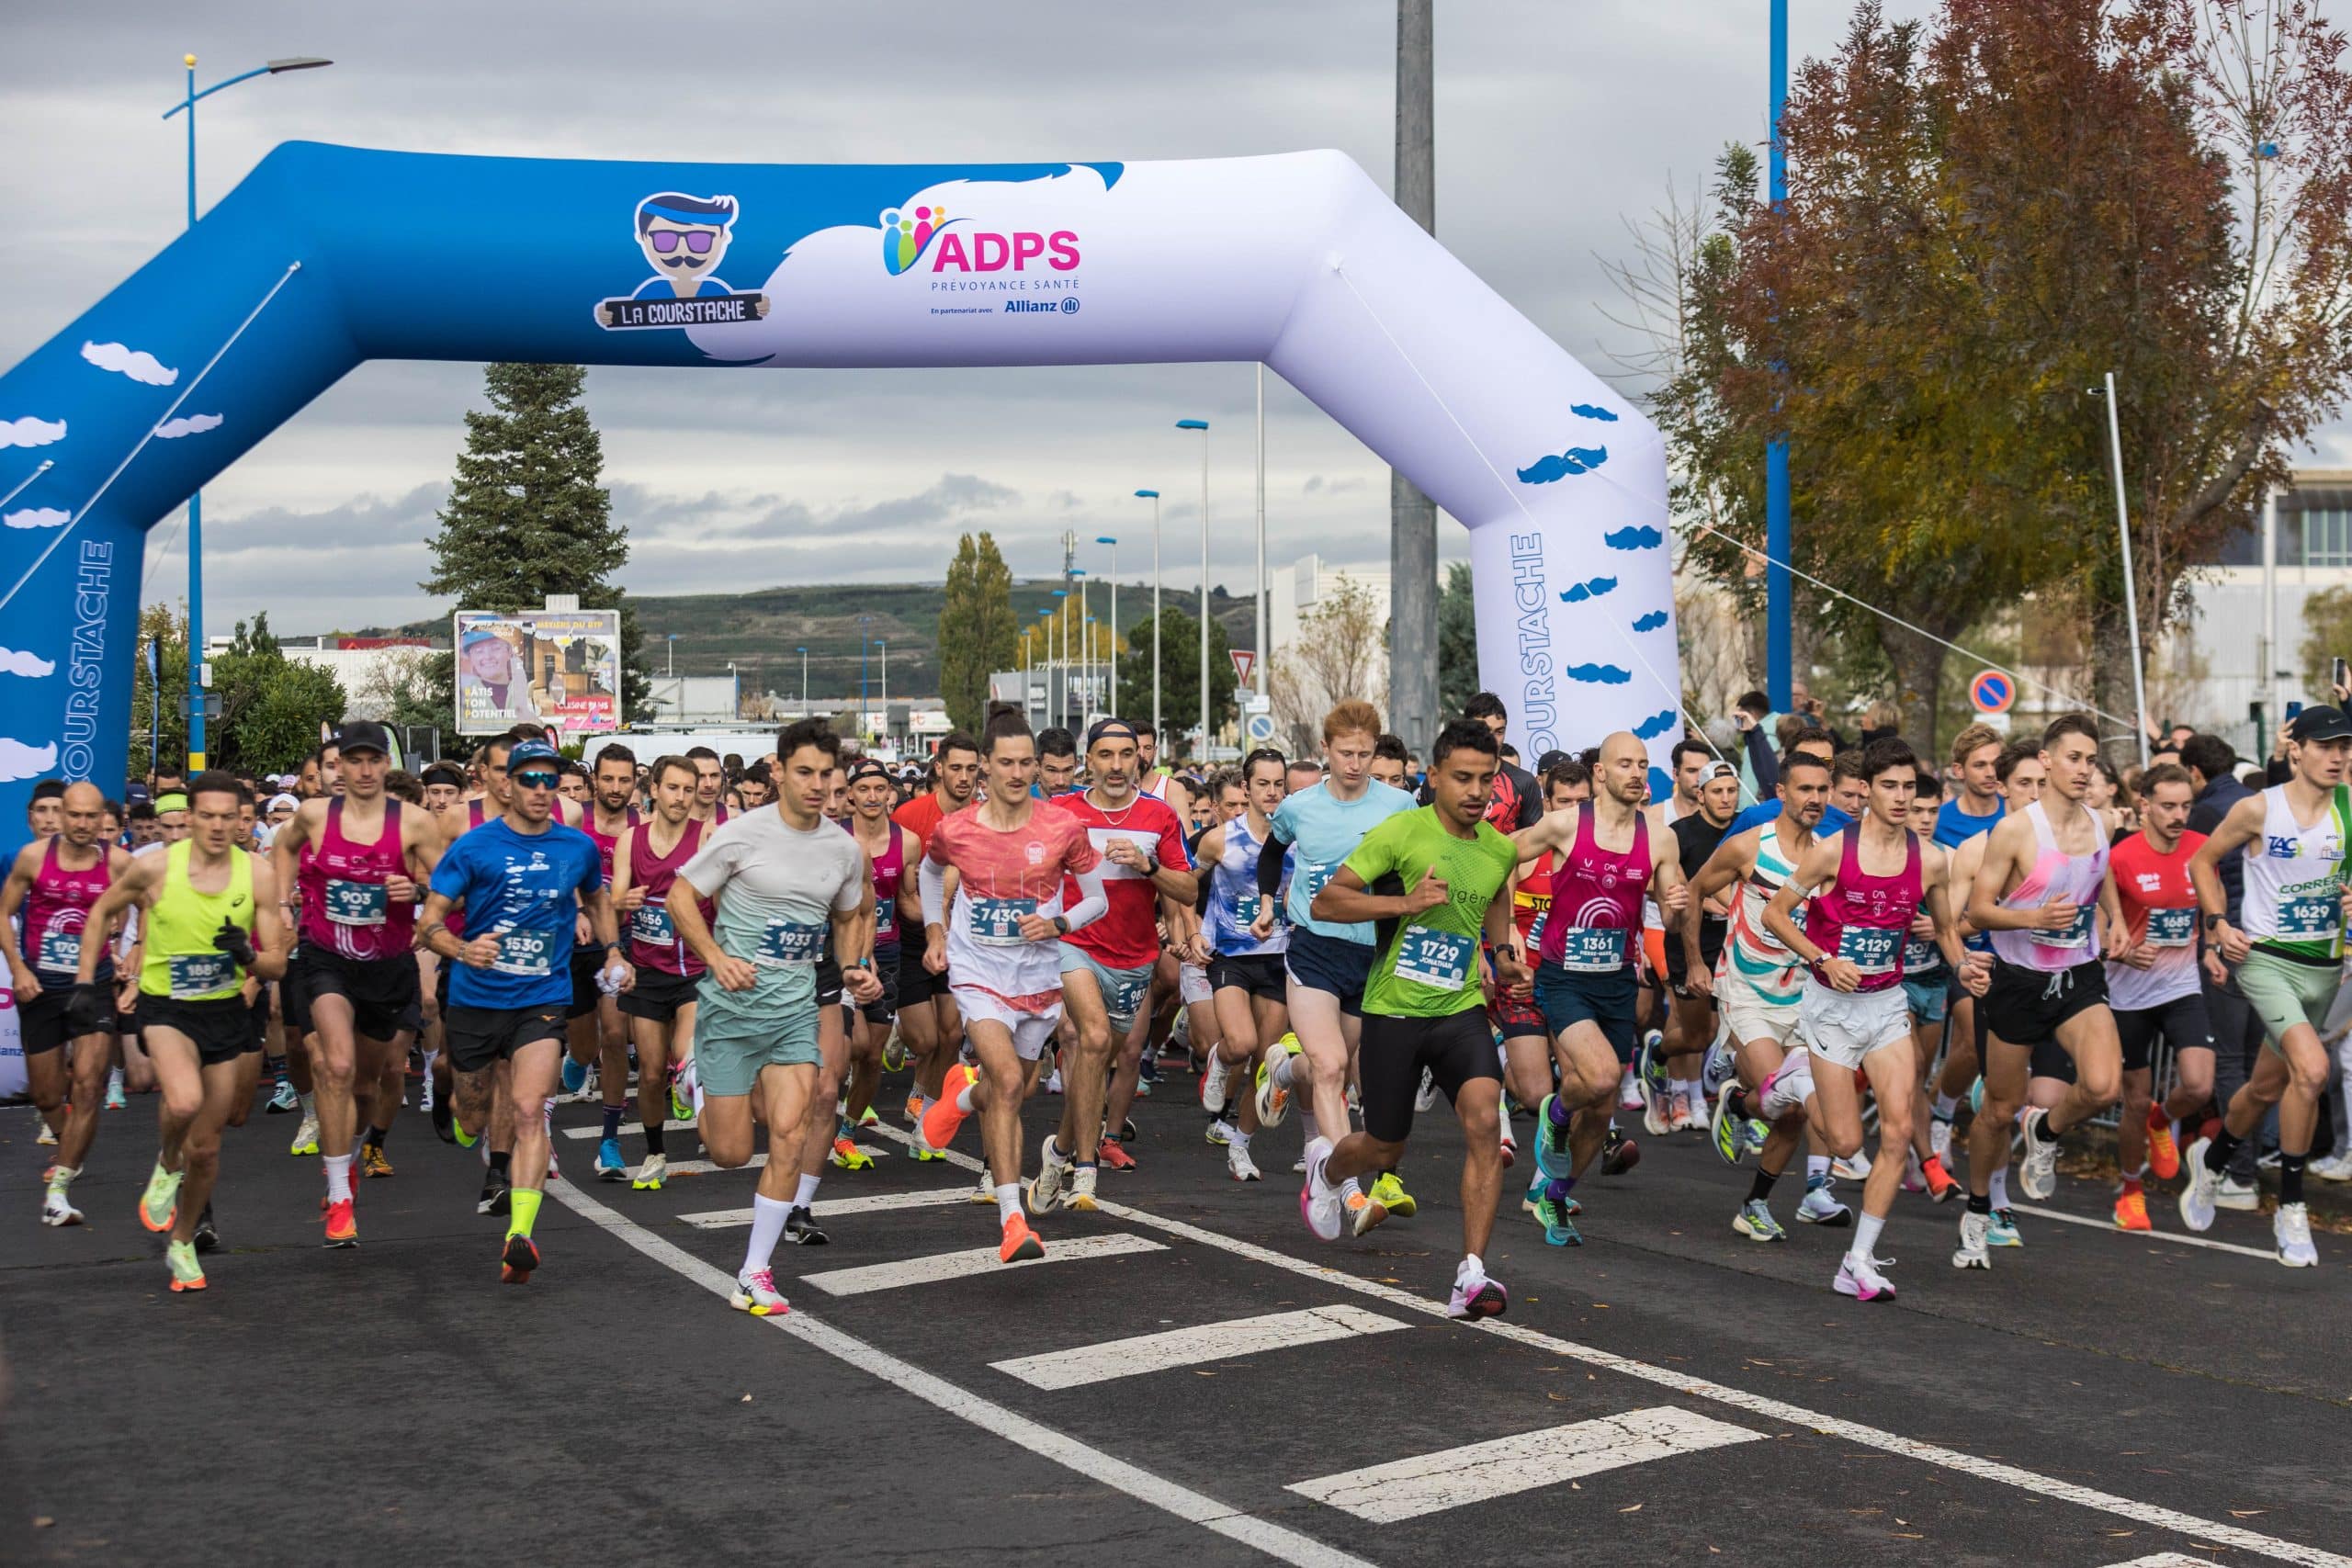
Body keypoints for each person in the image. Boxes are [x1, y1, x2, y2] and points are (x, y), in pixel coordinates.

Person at [1305, 717, 1524, 1318]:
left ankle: (1471, 1275)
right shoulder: (1402, 831)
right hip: (1394, 1010)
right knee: (1382, 1146)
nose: (1476, 791)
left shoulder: (1499, 847)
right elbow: (1329, 899)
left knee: (1484, 1121)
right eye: (1462, 778)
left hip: (1459, 1008)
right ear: (1434, 777)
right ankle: (1327, 1168)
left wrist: (1503, 953)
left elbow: (1497, 892)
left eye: (1486, 779)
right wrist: (1405, 902)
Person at [664, 721, 878, 1313]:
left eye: (825, 774)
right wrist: (714, 956)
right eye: (803, 772)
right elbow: (681, 897)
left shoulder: (842, 849)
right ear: (779, 772)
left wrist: (855, 966)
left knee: (793, 1128)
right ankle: (698, 1082)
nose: (816, 785)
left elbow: (847, 915)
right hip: (732, 1011)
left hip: (794, 1008)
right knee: (730, 1152)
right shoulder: (742, 834)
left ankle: (754, 1271)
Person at [1765, 739, 1979, 1300]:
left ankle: (1856, 1260)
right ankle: (1791, 1080)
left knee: (1900, 1130)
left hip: (1886, 1006)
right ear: (1866, 791)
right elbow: (1775, 914)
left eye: (1910, 786)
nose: (1902, 797)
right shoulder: (1832, 852)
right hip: (1831, 1007)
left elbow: (1947, 932)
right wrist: (1823, 959)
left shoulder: (1933, 861)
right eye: (1891, 786)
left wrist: (1965, 968)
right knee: (1842, 1142)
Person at [418, 739, 628, 1284]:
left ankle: (520, 1234)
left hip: (542, 997)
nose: (540, 790)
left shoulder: (576, 847)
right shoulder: (473, 846)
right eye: (529, 780)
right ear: (505, 785)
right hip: (476, 998)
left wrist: (610, 949)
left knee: (531, 1107)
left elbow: (598, 897)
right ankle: (452, 1098)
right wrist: (464, 950)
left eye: (549, 780)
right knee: (474, 1113)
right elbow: (429, 924)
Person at [76, 773, 289, 1292]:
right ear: (189, 818)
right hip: (166, 1006)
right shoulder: (153, 868)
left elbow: (278, 963)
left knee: (209, 1149)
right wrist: (87, 981)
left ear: (243, 820)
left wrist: (247, 956)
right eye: (207, 816)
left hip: (224, 1012)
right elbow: (101, 911)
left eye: (228, 817)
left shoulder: (258, 874)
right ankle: (165, 1163)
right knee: (185, 1099)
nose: (218, 827)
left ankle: (182, 1242)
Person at [912, 713, 1110, 1264]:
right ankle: (1012, 1220)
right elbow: (930, 875)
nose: (1019, 772)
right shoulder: (957, 829)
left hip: (1039, 976)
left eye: (1027, 762)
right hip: (978, 973)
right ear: (986, 768)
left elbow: (1097, 899)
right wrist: (935, 928)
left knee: (1014, 1089)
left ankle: (957, 1095)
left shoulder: (1062, 828)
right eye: (1007, 763)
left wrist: (1060, 925)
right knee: (1003, 1078)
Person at [1497, 732, 1689, 1248]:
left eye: (1643, 765)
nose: (1636, 772)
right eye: (1625, 763)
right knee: (1601, 1077)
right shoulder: (1565, 824)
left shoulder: (1660, 838)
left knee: (1602, 1109)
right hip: (1564, 977)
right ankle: (1556, 1113)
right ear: (1600, 773)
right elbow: (1501, 860)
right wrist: (1508, 929)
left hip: (1617, 981)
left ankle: (1553, 1195)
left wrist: (1676, 904)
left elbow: (1669, 917)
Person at [2178, 705, 2352, 1267]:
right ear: (2295, 750)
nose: (2338, 756)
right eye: (2325, 746)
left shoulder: (2350, 810)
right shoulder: (2259, 808)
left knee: (2264, 1089)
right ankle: (2292, 1207)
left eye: (2345, 747)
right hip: (2265, 960)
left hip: (2324, 968)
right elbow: (2202, 863)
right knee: (2314, 1070)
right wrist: (2217, 924)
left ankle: (2213, 1160)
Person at [1951, 715, 2125, 1271]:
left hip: (2077, 976)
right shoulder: (2017, 831)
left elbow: (2103, 875)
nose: (2083, 769)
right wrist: (2035, 915)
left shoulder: (2101, 823)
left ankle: (2045, 1128)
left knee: (2102, 1086)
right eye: (2073, 758)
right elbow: (1977, 912)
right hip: (2019, 982)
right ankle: (1978, 1211)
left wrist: (2115, 918)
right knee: (1999, 1109)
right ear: (2047, 761)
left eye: (2090, 760)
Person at [269, 721, 442, 1245]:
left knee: (366, 1086)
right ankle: (340, 1194)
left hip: (387, 967)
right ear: (338, 765)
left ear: (387, 766)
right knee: (336, 1065)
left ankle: (349, 1151)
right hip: (326, 959)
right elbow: (283, 849)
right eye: (355, 760)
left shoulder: (412, 822)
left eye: (374, 760)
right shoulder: (315, 815)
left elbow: (448, 885)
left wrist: (413, 891)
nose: (365, 771)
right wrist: (282, 903)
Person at [1265, 702, 1419, 1231]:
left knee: (1331, 1067)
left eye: (1365, 754)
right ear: (1325, 750)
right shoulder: (1300, 805)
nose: (1355, 764)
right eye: (1345, 753)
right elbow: (1272, 852)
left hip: (1371, 955)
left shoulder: (1400, 805)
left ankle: (1283, 1068)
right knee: (1331, 1069)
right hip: (1315, 947)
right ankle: (1344, 1188)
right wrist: (1268, 901)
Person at [1033, 720, 1194, 1210]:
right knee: (1093, 1040)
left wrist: (1148, 867)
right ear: (1090, 761)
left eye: (1126, 755)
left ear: (1139, 761)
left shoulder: (1159, 816)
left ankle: (1058, 1148)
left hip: (1133, 956)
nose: (1117, 765)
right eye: (1106, 755)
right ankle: (1085, 1170)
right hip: (1075, 944)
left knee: (1100, 1058)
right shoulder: (1061, 812)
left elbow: (1187, 890)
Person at [1691, 750, 1838, 1237]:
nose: (1814, 799)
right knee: (1786, 1090)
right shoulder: (1749, 846)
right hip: (1747, 991)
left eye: (1822, 790)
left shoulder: (1830, 855)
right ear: (1781, 793)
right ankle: (1737, 1094)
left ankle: (1754, 1199)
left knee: (1792, 1111)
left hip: (1804, 997)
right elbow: (1694, 891)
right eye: (1804, 789)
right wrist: (1695, 960)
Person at [4, 782, 132, 1225]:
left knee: (89, 1086)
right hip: (40, 986)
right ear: (61, 818)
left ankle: (59, 1188)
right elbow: (3, 913)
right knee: (45, 1094)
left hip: (93, 984)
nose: (80, 824)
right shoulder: (33, 858)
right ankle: (69, 1145)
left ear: (103, 820)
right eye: (72, 816)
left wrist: (129, 949)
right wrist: (18, 969)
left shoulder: (118, 862)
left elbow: (145, 903)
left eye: (89, 817)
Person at [2105, 762, 2211, 1232]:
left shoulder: (2201, 850)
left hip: (2181, 984)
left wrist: (2215, 947)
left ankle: (2161, 1120)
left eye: (2186, 806)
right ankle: (2130, 1190)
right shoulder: (2121, 858)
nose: (2178, 815)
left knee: (2200, 1085)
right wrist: (2124, 955)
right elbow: (2099, 927)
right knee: (2133, 1097)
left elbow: (2213, 906)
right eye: (2168, 806)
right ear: (2145, 805)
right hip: (2128, 994)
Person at [609, 755, 712, 1190]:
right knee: (650, 1072)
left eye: (689, 790)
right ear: (654, 789)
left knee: (684, 1056)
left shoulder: (707, 836)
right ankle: (655, 1152)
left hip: (694, 972)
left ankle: (689, 1077)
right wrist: (627, 900)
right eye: (673, 788)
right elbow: (614, 898)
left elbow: (726, 895)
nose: (681, 797)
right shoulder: (630, 840)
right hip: (648, 971)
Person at [1194, 749, 1293, 1182]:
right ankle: (1218, 1059)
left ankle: (1240, 1145)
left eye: (1278, 784)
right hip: (1231, 954)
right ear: (1247, 789)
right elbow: (1186, 885)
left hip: (1280, 955)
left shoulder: (1297, 836)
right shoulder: (1219, 839)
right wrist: (1193, 931)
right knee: (1240, 1043)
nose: (1272, 792)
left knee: (1264, 1062)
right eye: (1263, 784)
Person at [2181, 732, 2267, 1212]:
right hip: (2265, 940)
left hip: (2229, 943)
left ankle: (2238, 1172)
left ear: (2195, 773)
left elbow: (2200, 876)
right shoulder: (2256, 802)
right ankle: (2245, 1168)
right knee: (2255, 1063)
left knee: (2232, 1063)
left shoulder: (2208, 812)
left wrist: (2211, 939)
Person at [891, 733, 979, 1134]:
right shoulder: (910, 817)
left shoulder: (984, 817)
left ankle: (926, 1114)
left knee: (952, 1035)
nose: (964, 777)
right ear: (939, 768)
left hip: (963, 940)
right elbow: (899, 891)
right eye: (956, 768)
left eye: (971, 769)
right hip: (913, 939)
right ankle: (900, 1041)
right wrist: (933, 925)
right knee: (924, 1041)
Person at [573, 745, 644, 1180]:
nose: (616, 788)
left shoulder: (642, 827)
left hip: (621, 942)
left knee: (616, 1037)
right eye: (609, 779)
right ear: (594, 780)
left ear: (635, 782)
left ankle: (610, 1140)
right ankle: (576, 1060)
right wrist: (576, 908)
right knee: (584, 1049)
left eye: (625, 780)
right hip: (574, 943)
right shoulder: (573, 821)